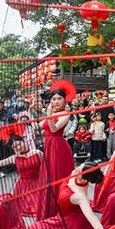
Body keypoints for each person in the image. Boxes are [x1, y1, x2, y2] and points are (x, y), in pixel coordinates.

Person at [23, 161, 115, 229]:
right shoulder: (75, 173)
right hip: (62, 216)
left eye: (80, 170)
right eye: (79, 167)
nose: (77, 170)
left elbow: (91, 215)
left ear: (85, 179)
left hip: (71, 222)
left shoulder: (80, 196)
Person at [0, 136, 43, 217]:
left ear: (24, 141)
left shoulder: (37, 153)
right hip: (23, 187)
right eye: (15, 147)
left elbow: (46, 166)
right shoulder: (14, 158)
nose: (18, 147)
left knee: (41, 205)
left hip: (40, 182)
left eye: (19, 144)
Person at [39, 81, 76, 220]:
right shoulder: (52, 113)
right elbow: (38, 126)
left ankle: (60, 208)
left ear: (65, 100)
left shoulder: (65, 113)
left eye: (59, 98)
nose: (56, 101)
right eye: (53, 99)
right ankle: (49, 208)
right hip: (49, 147)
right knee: (49, 177)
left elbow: (54, 129)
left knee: (57, 176)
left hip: (58, 147)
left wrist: (49, 115)